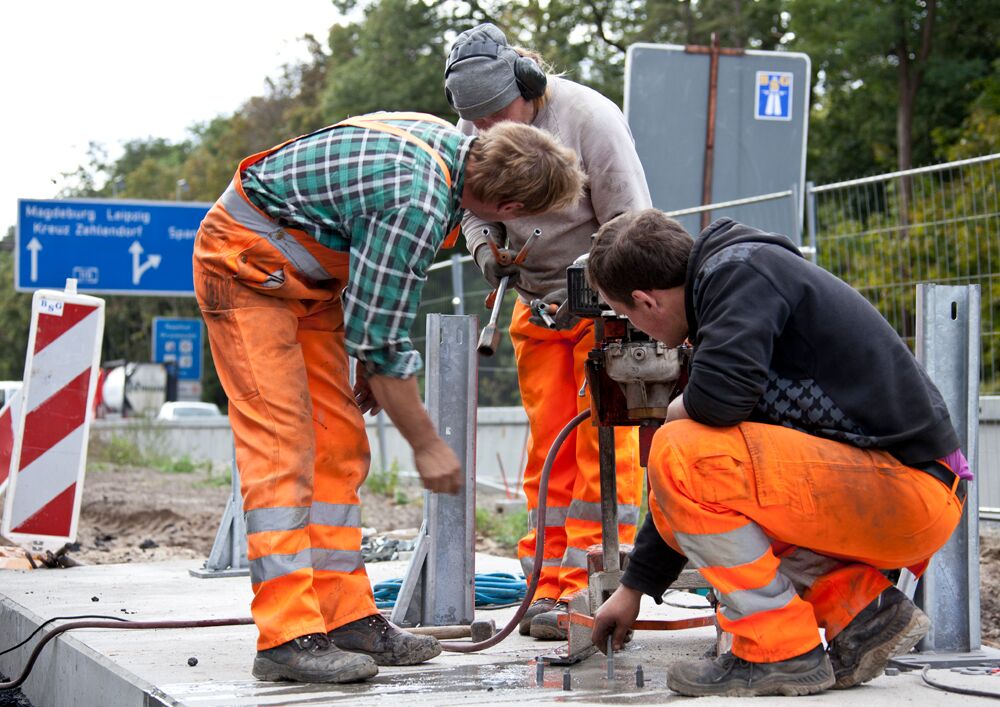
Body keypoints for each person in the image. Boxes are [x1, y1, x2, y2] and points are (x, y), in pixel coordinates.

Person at [193, 111, 585, 684]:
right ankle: (287, 637)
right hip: (246, 272)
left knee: (339, 446)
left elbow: (368, 292)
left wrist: (375, 363)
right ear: (506, 209)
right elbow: (379, 343)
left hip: (308, 283)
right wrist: (427, 444)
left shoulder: (450, 153)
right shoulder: (417, 201)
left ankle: (346, 615)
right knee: (283, 450)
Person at [585, 210, 971, 697]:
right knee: (707, 473)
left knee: (680, 450)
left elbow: (710, 412)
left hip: (908, 493)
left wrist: (672, 414)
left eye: (626, 314)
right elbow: (699, 491)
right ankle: (860, 612)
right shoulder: (735, 288)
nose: (633, 327)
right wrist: (633, 588)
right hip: (897, 493)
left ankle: (775, 650)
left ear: (645, 300)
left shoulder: (738, 274)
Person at [443, 22, 652, 639]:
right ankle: (544, 581)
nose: (484, 132)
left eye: (494, 115)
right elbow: (470, 206)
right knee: (549, 448)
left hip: (604, 306)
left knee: (602, 450)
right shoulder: (474, 123)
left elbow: (630, 220)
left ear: (527, 85)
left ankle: (593, 583)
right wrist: (485, 249)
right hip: (532, 305)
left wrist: (602, 290)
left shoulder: (591, 119)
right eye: (474, 123)